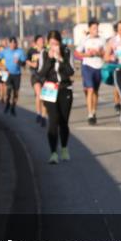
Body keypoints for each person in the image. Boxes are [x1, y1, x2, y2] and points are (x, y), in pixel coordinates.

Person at [37, 30, 74, 164]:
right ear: (48, 43)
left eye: (56, 44)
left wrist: (61, 59)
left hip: (65, 89)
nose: (54, 47)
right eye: (51, 44)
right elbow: (41, 73)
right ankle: (53, 153)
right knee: (53, 120)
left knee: (63, 121)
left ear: (60, 42)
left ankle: (64, 148)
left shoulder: (67, 52)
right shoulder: (44, 53)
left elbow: (71, 71)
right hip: (50, 89)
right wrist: (50, 59)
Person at [75, 20, 106, 124]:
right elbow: (77, 53)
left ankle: (94, 111)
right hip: (87, 66)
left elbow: (106, 54)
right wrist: (87, 54)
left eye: (97, 28)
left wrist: (99, 52)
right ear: (89, 29)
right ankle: (90, 114)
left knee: (96, 91)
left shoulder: (102, 40)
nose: (95, 30)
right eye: (93, 28)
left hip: (99, 66)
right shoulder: (85, 40)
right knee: (90, 89)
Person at [1, 37, 27, 116]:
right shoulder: (5, 51)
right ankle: (7, 104)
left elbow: (24, 64)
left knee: (16, 92)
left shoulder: (20, 52)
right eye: (11, 43)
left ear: (16, 44)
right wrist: (2, 66)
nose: (13, 45)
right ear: (9, 44)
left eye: (14, 43)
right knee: (8, 90)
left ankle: (13, 107)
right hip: (7, 74)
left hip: (17, 74)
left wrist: (19, 62)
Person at [27, 35, 47, 125]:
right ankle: (38, 114)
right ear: (36, 42)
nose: (42, 42)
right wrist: (32, 64)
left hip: (45, 76)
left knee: (44, 97)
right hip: (35, 75)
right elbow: (26, 60)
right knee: (39, 94)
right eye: (40, 41)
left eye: (43, 40)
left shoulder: (46, 51)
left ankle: (43, 116)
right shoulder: (32, 51)